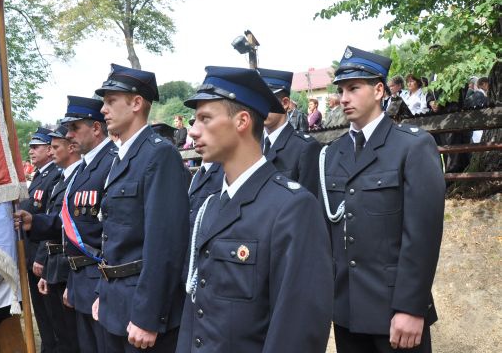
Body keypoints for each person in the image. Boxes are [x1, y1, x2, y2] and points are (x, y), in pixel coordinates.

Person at [177, 66, 333, 352]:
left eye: (205, 118)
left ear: (242, 121)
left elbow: (297, 329)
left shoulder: (292, 208)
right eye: (193, 120)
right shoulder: (210, 207)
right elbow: (195, 309)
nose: (193, 130)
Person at [320, 46, 444, 352]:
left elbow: (422, 236)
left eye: (353, 88)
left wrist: (411, 307)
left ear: (378, 90)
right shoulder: (331, 154)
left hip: (394, 310)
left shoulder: (411, 147)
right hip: (347, 309)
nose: (344, 97)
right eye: (341, 90)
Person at [93, 63, 190, 352]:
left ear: (136, 103)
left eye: (110, 101)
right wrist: (103, 291)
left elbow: (166, 244)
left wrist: (149, 316)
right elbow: (113, 236)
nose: (103, 110)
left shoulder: (159, 154)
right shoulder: (122, 156)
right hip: (115, 300)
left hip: (140, 308)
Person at [17, 96, 118, 353]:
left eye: (74, 129)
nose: (69, 135)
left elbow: (111, 230)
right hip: (80, 277)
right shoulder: (86, 167)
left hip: (101, 278)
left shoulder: (112, 162)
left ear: (96, 128)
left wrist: (100, 287)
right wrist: (35, 222)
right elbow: (71, 221)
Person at [30, 123, 83, 353]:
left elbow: (70, 228)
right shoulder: (62, 179)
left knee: (71, 336)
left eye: (54, 146)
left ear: (71, 147)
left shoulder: (76, 177)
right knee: (58, 330)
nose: (50, 152)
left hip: (67, 266)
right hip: (55, 264)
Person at [19, 126, 63, 353]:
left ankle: (52, 347)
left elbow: (51, 220)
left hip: (42, 257)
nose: (31, 151)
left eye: (36, 147)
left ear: (49, 149)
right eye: (30, 147)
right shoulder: (39, 176)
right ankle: (48, 346)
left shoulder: (55, 176)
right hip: (31, 256)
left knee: (52, 313)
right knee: (41, 313)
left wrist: (41, 256)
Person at [257, 67, 321, 196]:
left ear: (285, 103)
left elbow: (308, 203)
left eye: (265, 100)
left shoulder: (305, 147)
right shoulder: (253, 144)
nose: (258, 107)